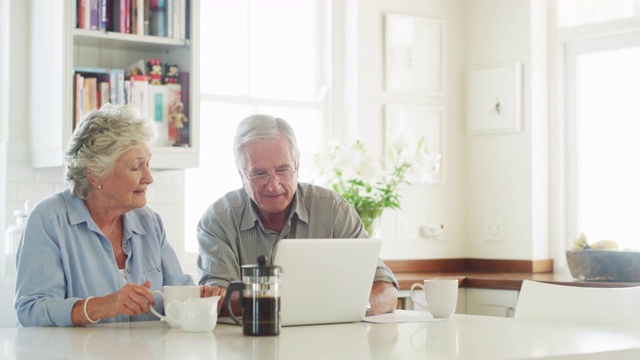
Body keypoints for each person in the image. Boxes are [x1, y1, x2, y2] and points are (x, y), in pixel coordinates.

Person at [14, 104, 217, 327]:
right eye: (136, 167)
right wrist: (100, 306)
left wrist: (202, 297)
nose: (149, 177)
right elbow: (31, 310)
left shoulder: (149, 223)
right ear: (96, 176)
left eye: (148, 164)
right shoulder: (49, 220)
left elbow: (179, 293)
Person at [197, 114, 399, 316]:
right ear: (242, 175)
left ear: (297, 166)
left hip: (329, 341)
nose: (273, 185)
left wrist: (358, 307)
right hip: (251, 343)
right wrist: (307, 301)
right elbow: (216, 301)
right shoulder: (218, 220)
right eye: (259, 174)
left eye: (282, 170)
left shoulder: (335, 211)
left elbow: (386, 289)